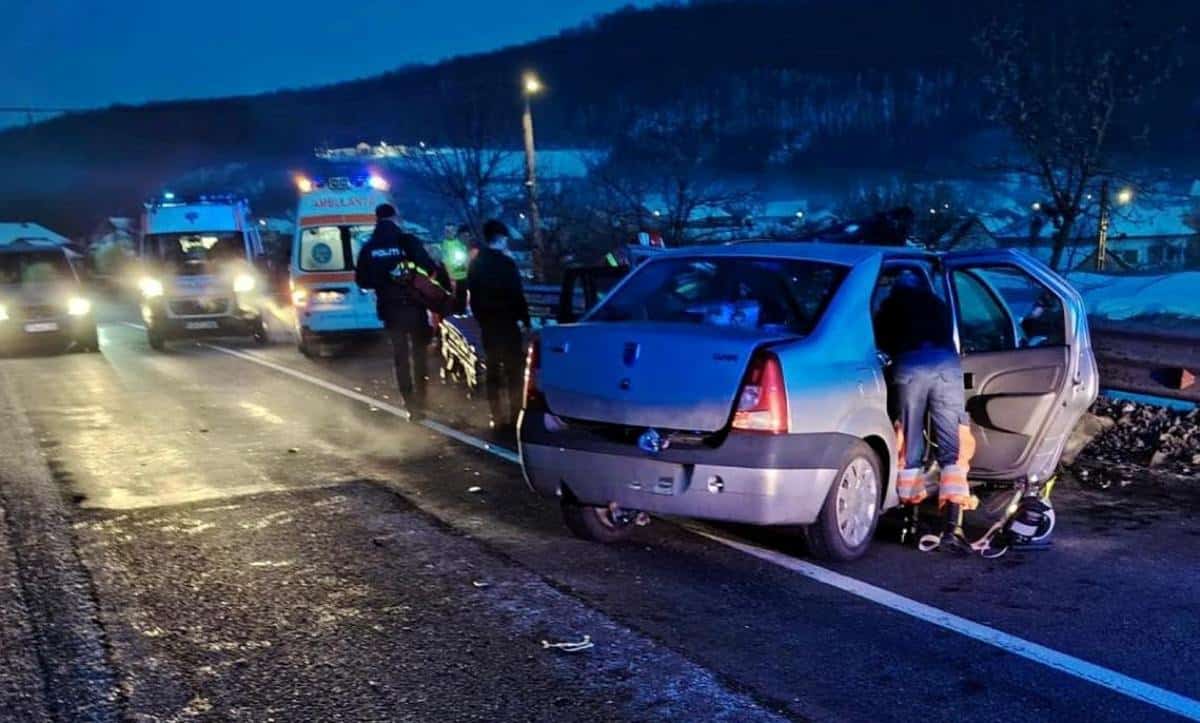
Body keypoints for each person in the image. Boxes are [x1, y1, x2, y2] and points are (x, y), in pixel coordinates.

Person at [874, 272, 976, 552]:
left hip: (910, 367)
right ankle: (953, 525)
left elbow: (882, 343)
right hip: (946, 367)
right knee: (953, 441)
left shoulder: (890, 306)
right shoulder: (938, 303)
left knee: (910, 440)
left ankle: (911, 521)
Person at [355, 204, 450, 421]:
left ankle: (410, 405)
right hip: (414, 306)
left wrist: (383, 281)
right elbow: (430, 268)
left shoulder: (369, 247)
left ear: (377, 219)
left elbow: (362, 280)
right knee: (419, 355)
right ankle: (422, 401)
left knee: (401, 357)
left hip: (390, 309)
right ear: (395, 217)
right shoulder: (407, 241)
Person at [467, 219, 530, 430]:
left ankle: (496, 415)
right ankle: (515, 414)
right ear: (501, 238)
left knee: (493, 370)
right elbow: (517, 294)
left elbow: (473, 297)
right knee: (514, 371)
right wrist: (524, 319)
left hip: (489, 325)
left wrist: (482, 319)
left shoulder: (476, 264)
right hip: (508, 324)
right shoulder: (507, 264)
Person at [443, 225, 472, 314]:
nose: (449, 232)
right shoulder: (444, 245)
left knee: (462, 297)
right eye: (447, 231)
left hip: (463, 276)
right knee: (453, 298)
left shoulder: (460, 244)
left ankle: (462, 312)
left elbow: (465, 258)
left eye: (452, 230)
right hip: (451, 278)